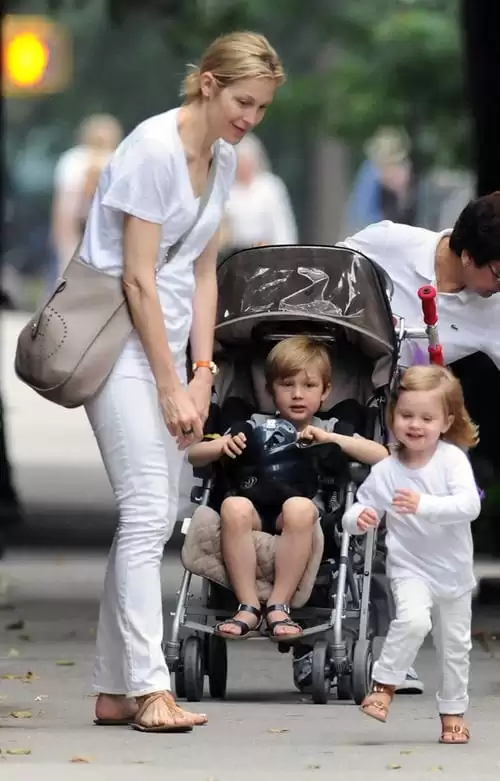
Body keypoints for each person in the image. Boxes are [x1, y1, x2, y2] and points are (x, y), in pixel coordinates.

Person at [82, 31, 285, 732]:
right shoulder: (150, 151)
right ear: (207, 82)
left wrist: (203, 374)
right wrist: (170, 382)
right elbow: (137, 276)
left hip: (173, 351)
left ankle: (113, 686)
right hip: (119, 346)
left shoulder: (223, 159)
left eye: (260, 107)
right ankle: (150, 687)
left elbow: (202, 269)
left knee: (155, 514)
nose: (250, 118)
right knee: (144, 512)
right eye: (242, 101)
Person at [293, 191, 500, 696]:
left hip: (407, 429)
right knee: (317, 505)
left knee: (404, 520)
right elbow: (315, 291)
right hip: (340, 405)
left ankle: (388, 647)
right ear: (468, 257)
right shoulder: (388, 243)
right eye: (498, 271)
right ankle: (312, 639)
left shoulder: (493, 308)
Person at [187, 336, 388, 638]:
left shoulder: (329, 428)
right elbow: (193, 454)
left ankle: (279, 604)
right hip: (256, 508)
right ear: (270, 390)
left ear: (325, 391)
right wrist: (223, 446)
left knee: (298, 506)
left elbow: (382, 455)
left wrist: (333, 441)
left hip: (302, 519)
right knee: (232, 506)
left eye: (308, 386)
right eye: (287, 385)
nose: (297, 395)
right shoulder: (252, 424)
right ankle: (249, 605)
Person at [343, 365, 480, 744]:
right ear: (392, 418)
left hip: (452, 572)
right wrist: (361, 518)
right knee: (414, 622)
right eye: (406, 415)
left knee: (455, 647)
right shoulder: (387, 470)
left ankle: (453, 711)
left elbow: (469, 506)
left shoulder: (451, 460)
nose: (415, 425)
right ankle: (383, 686)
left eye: (426, 417)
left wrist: (424, 504)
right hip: (409, 567)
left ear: (446, 421)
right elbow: (356, 510)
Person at [50, 114, 123, 287]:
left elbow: (64, 201)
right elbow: (65, 200)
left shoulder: (74, 160)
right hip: (87, 224)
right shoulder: (76, 160)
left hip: (98, 225)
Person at [219, 132, 298, 258]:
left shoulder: (270, 187)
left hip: (265, 251)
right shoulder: (227, 189)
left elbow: (281, 226)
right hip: (234, 254)